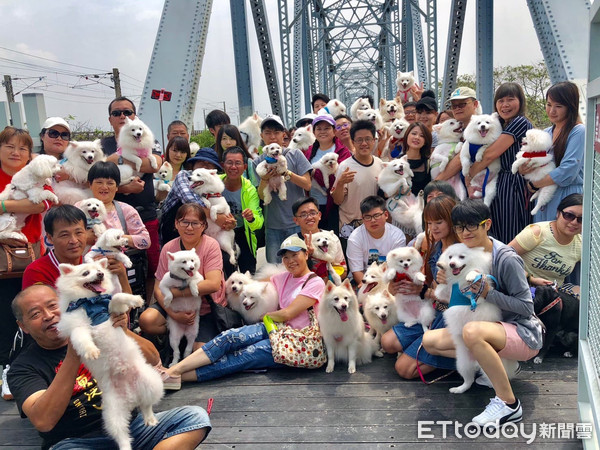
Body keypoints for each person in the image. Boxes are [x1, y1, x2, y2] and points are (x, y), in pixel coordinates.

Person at [8, 285, 210, 449]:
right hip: (78, 440)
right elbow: (44, 421)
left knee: (195, 417)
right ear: (23, 326)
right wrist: (73, 352)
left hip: (134, 427)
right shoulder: (23, 368)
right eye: (35, 314)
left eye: (53, 306)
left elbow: (153, 359)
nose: (48, 315)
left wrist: (122, 331)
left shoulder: (96, 329)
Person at [422, 199, 543, 427]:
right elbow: (462, 299)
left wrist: (488, 293)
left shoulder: (505, 258)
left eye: (470, 226)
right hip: (491, 325)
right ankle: (500, 364)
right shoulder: (464, 254)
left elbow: (527, 307)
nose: (464, 232)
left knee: (471, 332)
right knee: (429, 341)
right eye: (459, 227)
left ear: (486, 224)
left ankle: (508, 404)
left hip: (523, 332)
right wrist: (447, 284)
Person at [161, 236, 325, 386]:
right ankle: (172, 371)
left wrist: (264, 315)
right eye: (286, 257)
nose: (290, 261)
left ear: (306, 254)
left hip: (295, 342)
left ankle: (173, 378)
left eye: (295, 255)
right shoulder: (284, 277)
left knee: (238, 358)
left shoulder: (314, 282)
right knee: (229, 337)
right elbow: (251, 284)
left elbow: (288, 313)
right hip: (275, 328)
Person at [381, 195, 458, 379]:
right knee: (387, 343)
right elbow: (428, 285)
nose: (433, 228)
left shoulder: (460, 252)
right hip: (431, 312)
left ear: (452, 220)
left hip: (452, 317)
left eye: (438, 222)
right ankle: (426, 349)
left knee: (404, 369)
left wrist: (425, 291)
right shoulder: (435, 246)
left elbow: (460, 297)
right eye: (429, 223)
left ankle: (461, 360)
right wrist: (399, 287)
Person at [139, 203, 227, 352]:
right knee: (147, 321)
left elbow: (213, 284)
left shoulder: (211, 245)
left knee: (200, 352)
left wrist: (174, 293)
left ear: (204, 225)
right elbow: (158, 286)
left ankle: (188, 339)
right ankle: (176, 334)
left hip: (204, 309)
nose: (189, 227)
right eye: (184, 222)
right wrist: (173, 314)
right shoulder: (168, 248)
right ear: (176, 224)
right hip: (174, 306)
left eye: (195, 223)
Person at [0, 127, 54, 368]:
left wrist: (1, 204)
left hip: (30, 254)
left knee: (32, 311)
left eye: (23, 148)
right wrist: (17, 204)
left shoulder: (36, 174)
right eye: (9, 146)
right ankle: (6, 366)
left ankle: (30, 364)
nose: (16, 152)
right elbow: (31, 203)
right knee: (3, 312)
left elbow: (39, 205)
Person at [101, 97, 162, 303]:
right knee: (115, 264)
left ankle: (144, 306)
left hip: (146, 213)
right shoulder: (102, 144)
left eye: (127, 112)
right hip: (112, 216)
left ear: (135, 116)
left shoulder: (149, 138)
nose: (122, 116)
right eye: (117, 113)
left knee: (151, 266)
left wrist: (116, 159)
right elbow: (97, 176)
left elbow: (154, 165)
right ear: (110, 119)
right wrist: (123, 187)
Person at [466, 82, 533, 244]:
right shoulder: (501, 124)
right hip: (501, 182)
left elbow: (490, 155)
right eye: (500, 101)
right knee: (498, 230)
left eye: (510, 99)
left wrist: (468, 176)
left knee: (512, 232)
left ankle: (511, 266)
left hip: (513, 183)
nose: (505, 105)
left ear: (520, 101)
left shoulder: (519, 122)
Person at [23, 205, 130, 294]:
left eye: (79, 233)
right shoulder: (37, 271)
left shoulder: (96, 261)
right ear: (50, 238)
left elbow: (127, 307)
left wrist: (122, 275)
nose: (74, 240)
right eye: (64, 235)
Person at [521, 81, 584, 223]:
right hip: (545, 198)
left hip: (567, 199)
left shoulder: (578, 131)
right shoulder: (547, 132)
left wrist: (534, 185)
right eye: (549, 105)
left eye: (558, 106)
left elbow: (568, 171)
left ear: (570, 107)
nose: (551, 111)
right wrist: (523, 167)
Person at [252, 114, 312, 263]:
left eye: (276, 132)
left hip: (297, 224)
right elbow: (260, 195)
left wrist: (286, 173)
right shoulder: (258, 162)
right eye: (267, 133)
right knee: (275, 272)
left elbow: (307, 184)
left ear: (283, 135)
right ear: (261, 136)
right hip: (273, 226)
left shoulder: (294, 154)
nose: (272, 136)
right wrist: (265, 179)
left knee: (300, 269)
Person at [159, 148, 233, 247]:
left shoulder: (212, 183)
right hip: (174, 229)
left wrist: (229, 222)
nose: (204, 166)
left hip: (199, 233)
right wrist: (219, 219)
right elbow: (190, 200)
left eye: (209, 164)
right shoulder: (184, 175)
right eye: (201, 162)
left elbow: (220, 206)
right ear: (193, 164)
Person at [509, 193, 582, 289]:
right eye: (569, 215)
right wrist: (531, 279)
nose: (574, 222)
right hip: (521, 286)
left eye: (581, 219)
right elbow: (503, 256)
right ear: (558, 213)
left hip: (553, 294)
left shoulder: (581, 244)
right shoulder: (537, 232)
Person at [332, 120, 384, 243]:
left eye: (368, 139)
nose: (364, 143)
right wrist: (340, 183)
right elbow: (337, 200)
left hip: (374, 225)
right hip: (350, 228)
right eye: (359, 140)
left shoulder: (380, 164)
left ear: (374, 141)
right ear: (353, 142)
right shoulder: (345, 166)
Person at [304, 114, 352, 233]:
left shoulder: (342, 151)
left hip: (335, 204)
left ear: (334, 131)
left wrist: (315, 174)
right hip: (313, 205)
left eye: (327, 128)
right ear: (314, 132)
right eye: (319, 129)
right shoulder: (309, 151)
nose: (322, 132)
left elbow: (341, 178)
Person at [346, 196, 406, 288]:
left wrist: (384, 288)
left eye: (376, 215)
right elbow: (357, 271)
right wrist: (371, 287)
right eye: (368, 217)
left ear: (386, 215)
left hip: (390, 281)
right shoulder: (355, 238)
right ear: (362, 218)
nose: (373, 220)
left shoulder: (397, 236)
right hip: (365, 282)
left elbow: (397, 268)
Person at [221, 147, 264, 274]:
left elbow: (259, 222)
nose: (233, 167)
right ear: (222, 165)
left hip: (244, 234)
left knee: (249, 275)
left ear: (245, 167)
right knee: (225, 275)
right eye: (229, 162)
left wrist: (251, 218)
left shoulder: (250, 190)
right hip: (221, 234)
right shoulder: (215, 184)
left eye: (238, 163)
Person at [291, 197, 347, 283]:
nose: (309, 217)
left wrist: (328, 279)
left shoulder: (331, 238)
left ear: (319, 215)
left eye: (313, 213)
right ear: (296, 220)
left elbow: (343, 271)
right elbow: (290, 274)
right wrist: (307, 256)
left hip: (329, 287)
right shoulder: (292, 242)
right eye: (303, 215)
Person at [435, 87, 481, 182]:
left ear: (475, 104)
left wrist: (435, 183)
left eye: (462, 104)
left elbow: (459, 161)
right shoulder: (460, 131)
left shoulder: (481, 127)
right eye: (454, 106)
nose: (457, 109)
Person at [156, 136, 191, 203]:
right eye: (175, 150)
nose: (178, 155)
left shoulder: (190, 174)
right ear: (168, 150)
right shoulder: (158, 170)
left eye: (183, 152)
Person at [402, 122, 432, 196]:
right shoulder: (396, 162)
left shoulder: (429, 163)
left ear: (425, 141)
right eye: (414, 134)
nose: (417, 137)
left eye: (422, 136)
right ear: (407, 136)